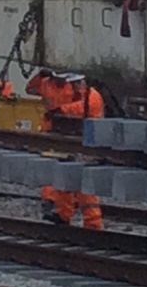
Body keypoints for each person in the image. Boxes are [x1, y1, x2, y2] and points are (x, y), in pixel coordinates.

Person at [28, 69, 106, 230]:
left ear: (80, 82)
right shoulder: (75, 93)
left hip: (86, 145)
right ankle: (63, 215)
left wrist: (60, 111)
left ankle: (93, 223)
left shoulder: (91, 96)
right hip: (73, 141)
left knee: (84, 187)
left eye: (73, 83)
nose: (70, 87)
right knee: (64, 179)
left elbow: (78, 109)